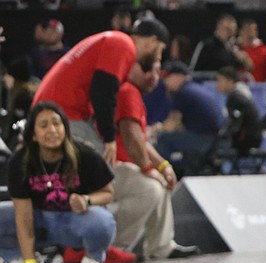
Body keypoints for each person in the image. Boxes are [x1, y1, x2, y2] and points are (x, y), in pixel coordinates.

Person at [1, 101, 116, 263]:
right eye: (44, 125)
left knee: (104, 221)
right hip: (37, 219)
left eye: (57, 123)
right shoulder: (20, 162)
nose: (52, 130)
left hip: (74, 221)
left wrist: (87, 200)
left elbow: (108, 193)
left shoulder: (84, 154)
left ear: (65, 127)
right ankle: (22, 259)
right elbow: (23, 216)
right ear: (34, 135)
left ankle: (91, 261)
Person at [32, 17, 170, 166]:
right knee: (103, 165)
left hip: (54, 108)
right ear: (152, 42)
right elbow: (103, 92)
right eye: (161, 50)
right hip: (61, 112)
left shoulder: (114, 40)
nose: (159, 57)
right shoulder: (123, 45)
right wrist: (109, 138)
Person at [110, 62, 198, 261]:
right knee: (150, 189)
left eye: (158, 71)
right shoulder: (126, 92)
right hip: (114, 166)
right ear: (131, 69)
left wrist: (162, 165)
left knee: (162, 181)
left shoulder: (134, 95)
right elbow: (132, 136)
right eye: (148, 70)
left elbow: (140, 139)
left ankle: (161, 246)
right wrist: (149, 168)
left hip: (130, 166)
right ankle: (115, 247)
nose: (154, 76)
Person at [153, 60, 223, 177]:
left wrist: (156, 129)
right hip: (215, 140)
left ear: (180, 76)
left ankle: (165, 177)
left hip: (205, 140)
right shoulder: (195, 88)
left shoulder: (183, 92)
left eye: (168, 77)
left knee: (163, 139)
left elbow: (170, 126)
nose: (165, 81)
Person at [214, 66, 263, 154]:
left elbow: (235, 126)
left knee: (212, 146)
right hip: (253, 139)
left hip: (247, 142)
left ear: (230, 81)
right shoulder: (239, 95)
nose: (217, 84)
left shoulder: (235, 98)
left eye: (219, 80)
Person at [238, 19, 266, 84]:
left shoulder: (265, 51)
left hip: (259, 91)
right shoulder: (235, 49)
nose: (251, 33)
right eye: (248, 30)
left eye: (254, 30)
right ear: (241, 32)